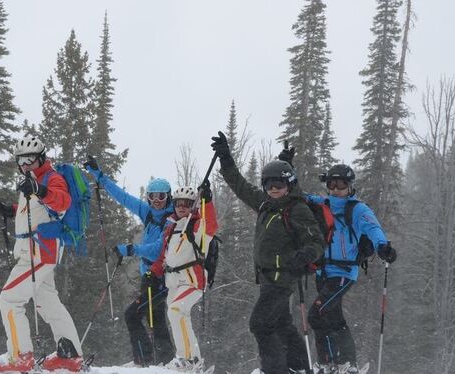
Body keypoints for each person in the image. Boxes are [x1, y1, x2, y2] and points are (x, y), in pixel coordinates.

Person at [211, 131, 325, 374]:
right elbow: (240, 186)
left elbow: (316, 242)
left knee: (260, 324)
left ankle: (275, 370)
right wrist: (226, 159)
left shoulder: (297, 209)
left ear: (289, 185)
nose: (273, 189)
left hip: (281, 278)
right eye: (269, 184)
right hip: (267, 277)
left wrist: (303, 256)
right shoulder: (265, 203)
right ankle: (299, 367)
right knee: (282, 324)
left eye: (279, 184)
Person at [278, 152, 396, 374]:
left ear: (350, 187)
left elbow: (374, 229)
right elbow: (296, 196)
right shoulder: (321, 203)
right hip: (323, 270)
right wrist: (287, 169)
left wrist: (383, 247)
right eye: (331, 185)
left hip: (343, 272)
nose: (335, 190)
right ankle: (348, 363)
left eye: (341, 185)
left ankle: (327, 362)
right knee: (334, 317)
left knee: (317, 313)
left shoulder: (358, 209)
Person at [0, 136, 83, 372]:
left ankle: (19, 357)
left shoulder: (50, 178)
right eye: (21, 160)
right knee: (47, 303)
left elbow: (61, 202)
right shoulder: (34, 181)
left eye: (30, 159)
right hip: (35, 252)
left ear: (41, 158)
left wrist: (40, 189)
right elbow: (37, 211)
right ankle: (69, 355)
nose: (25, 165)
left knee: (9, 299)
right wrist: (10, 210)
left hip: (40, 252)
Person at [83, 155, 175, 366]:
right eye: (152, 196)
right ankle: (164, 362)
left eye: (161, 196)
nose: (157, 201)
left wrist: (132, 249)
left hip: (162, 277)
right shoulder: (148, 213)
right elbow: (123, 197)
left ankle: (145, 360)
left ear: (168, 197)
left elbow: (159, 249)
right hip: (148, 276)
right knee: (155, 319)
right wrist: (99, 176)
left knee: (132, 315)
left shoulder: (172, 219)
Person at [150, 184, 218, 372]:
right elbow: (164, 254)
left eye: (187, 204)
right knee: (179, 316)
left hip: (192, 280)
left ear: (192, 206)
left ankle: (187, 359)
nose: (182, 207)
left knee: (175, 311)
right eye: (179, 203)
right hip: (173, 281)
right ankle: (194, 358)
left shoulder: (196, 225)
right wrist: (154, 272)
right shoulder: (171, 227)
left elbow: (211, 227)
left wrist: (207, 201)